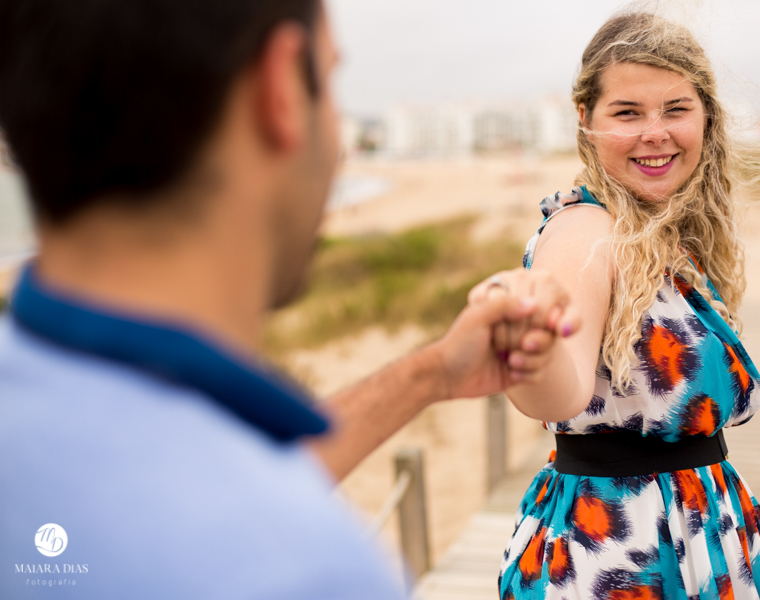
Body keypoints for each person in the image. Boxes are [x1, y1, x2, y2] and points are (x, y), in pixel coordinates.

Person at [0, 0, 580, 598]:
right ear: (280, 87)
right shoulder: (303, 570)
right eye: (329, 79)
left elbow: (197, 482)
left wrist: (430, 373)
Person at [475, 10, 760, 600]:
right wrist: (531, 347)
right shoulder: (587, 232)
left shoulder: (667, 233)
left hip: (700, 529)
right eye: (627, 113)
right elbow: (561, 391)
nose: (655, 133)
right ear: (585, 121)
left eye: (675, 110)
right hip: (617, 555)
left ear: (705, 116)